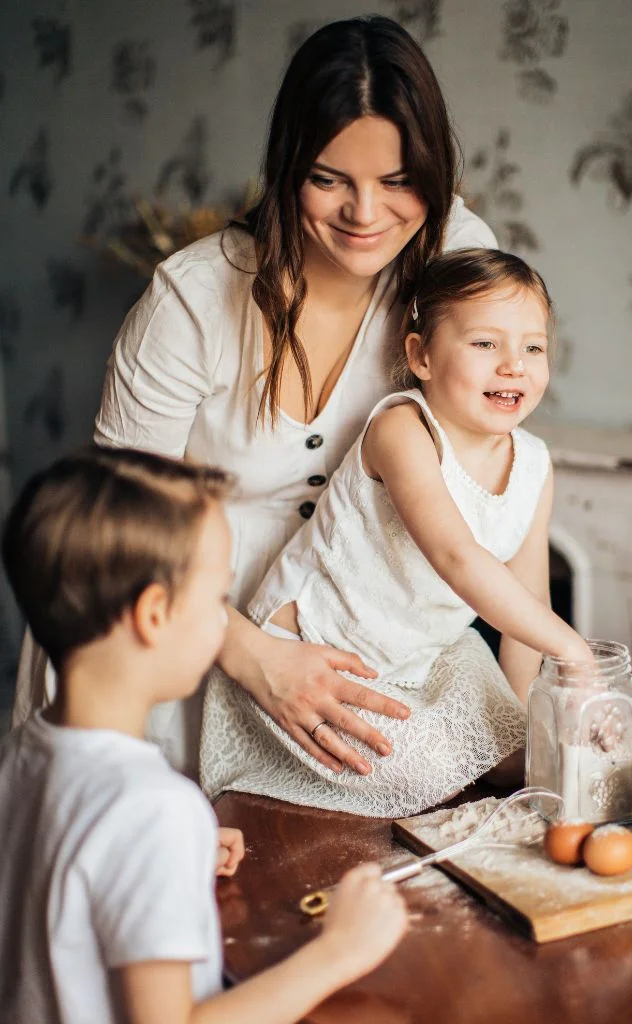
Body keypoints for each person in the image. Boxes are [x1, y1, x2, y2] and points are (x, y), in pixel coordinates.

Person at [14, 15, 497, 781]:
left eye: (397, 181)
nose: (365, 215)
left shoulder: (454, 259)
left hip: (341, 652)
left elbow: (500, 443)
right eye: (329, 178)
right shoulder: (193, 301)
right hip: (162, 646)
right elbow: (117, 539)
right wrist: (256, 656)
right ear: (287, 165)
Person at [0, 447, 407, 1024]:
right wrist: (340, 951)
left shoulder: (25, 750)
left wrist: (165, 860)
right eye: (217, 598)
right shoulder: (155, 810)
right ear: (154, 615)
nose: (224, 621)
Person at [200, 249, 593, 818]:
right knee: (431, 773)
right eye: (485, 344)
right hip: (312, 655)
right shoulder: (403, 428)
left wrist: (524, 731)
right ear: (422, 356)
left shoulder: (534, 463)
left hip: (419, 657)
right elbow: (457, 556)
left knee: (521, 754)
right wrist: (573, 649)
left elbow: (527, 608)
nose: (514, 365)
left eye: (533, 347)